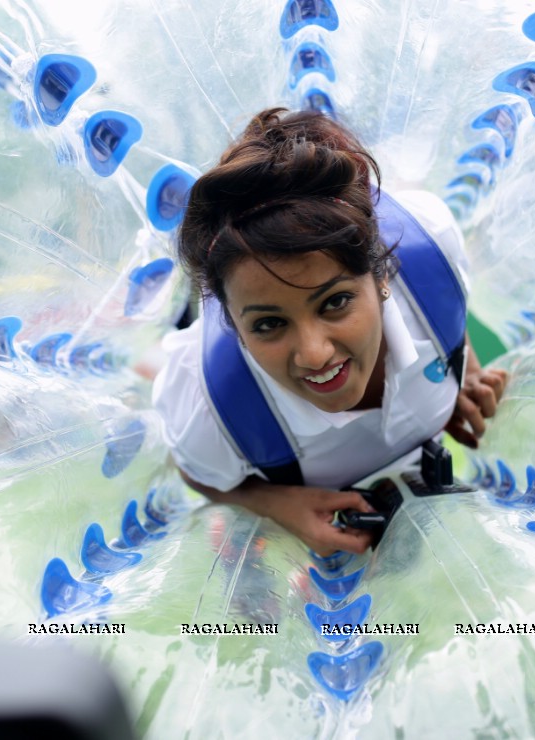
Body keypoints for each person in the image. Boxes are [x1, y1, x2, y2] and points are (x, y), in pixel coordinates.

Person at [153, 107, 507, 556]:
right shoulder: (211, 411)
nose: (315, 354)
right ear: (234, 327)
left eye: (335, 302)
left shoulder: (430, 249)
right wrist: (274, 503)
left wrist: (462, 371)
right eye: (268, 324)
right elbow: (197, 470)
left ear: (383, 277)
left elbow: (447, 311)